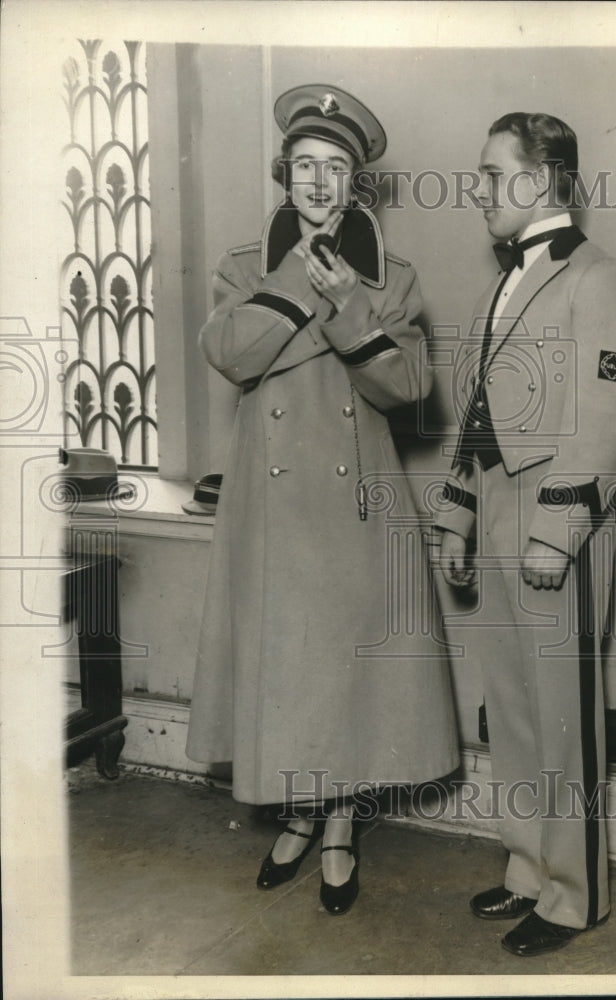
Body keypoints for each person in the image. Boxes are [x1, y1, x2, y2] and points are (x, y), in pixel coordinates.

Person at [186, 84, 458, 915]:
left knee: (344, 674)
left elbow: (410, 388)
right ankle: (298, 813)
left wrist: (346, 301)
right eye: (303, 165)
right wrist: (302, 286)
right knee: (288, 668)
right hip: (270, 515)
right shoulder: (242, 268)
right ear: (284, 175)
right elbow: (230, 357)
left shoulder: (393, 279)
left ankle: (339, 821)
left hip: (357, 509)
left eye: (334, 168)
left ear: (354, 184)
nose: (316, 182)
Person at [437, 112, 616, 955]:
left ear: (539, 177)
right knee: (514, 716)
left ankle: (576, 897)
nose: (479, 190)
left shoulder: (599, 278)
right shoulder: (501, 282)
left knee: (564, 721)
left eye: (491, 174)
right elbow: (477, 413)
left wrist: (556, 531)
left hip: (556, 524)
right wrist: (456, 511)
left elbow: (606, 414)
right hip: (495, 516)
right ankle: (529, 871)